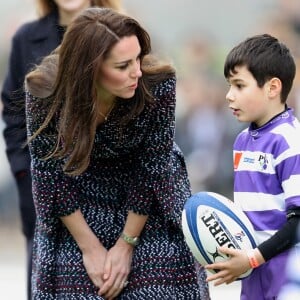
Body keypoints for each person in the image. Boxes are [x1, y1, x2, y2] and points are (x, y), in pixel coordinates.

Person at [24, 7, 210, 299]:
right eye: (122, 66)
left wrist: (126, 244)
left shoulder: (157, 84)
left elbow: (154, 166)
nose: (136, 71)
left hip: (148, 197)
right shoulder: (44, 91)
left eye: (138, 58)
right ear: (89, 68)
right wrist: (90, 248)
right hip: (74, 197)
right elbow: (48, 173)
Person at [1, 1, 122, 299]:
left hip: (108, 194)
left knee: (109, 283)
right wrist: (25, 177)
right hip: (45, 189)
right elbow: (15, 117)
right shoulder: (27, 38)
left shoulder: (122, 33)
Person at [205, 34, 300, 299]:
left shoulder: (290, 141)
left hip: (285, 278)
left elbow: (298, 223)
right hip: (253, 277)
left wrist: (252, 259)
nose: (228, 95)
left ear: (272, 88)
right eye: (228, 85)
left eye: (239, 85)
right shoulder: (242, 141)